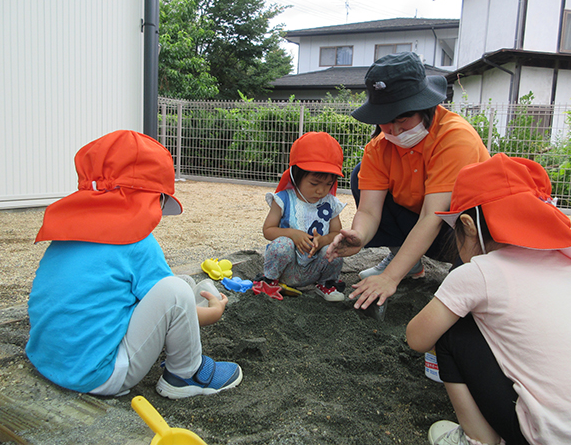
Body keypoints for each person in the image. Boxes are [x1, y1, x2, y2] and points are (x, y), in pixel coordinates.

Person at [406, 153, 571, 445]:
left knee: (453, 330)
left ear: (467, 225)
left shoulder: (478, 272)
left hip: (561, 438)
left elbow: (416, 338)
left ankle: (478, 438)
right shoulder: (569, 266)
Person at [26, 130, 243, 399]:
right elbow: (173, 300)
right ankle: (186, 374)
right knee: (177, 291)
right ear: (150, 198)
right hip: (98, 374)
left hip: (48, 359)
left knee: (181, 285)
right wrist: (213, 312)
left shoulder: (67, 233)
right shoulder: (136, 242)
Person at [326, 51, 490, 311]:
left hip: (465, 231)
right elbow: (369, 210)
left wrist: (390, 277)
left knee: (467, 289)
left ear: (425, 107)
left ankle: (468, 268)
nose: (394, 131)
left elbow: (432, 217)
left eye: (402, 118)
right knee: (360, 175)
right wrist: (359, 236)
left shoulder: (455, 138)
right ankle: (408, 262)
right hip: (421, 223)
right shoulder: (379, 147)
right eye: (385, 122)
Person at [257, 131, 347, 301]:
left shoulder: (331, 203)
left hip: (315, 267)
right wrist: (292, 234)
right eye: (314, 183)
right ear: (296, 176)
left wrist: (324, 240)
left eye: (329, 184)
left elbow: (337, 233)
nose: (321, 190)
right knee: (282, 245)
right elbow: (268, 230)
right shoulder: (283, 199)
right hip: (288, 268)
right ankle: (270, 282)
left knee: (335, 249)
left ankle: (325, 284)